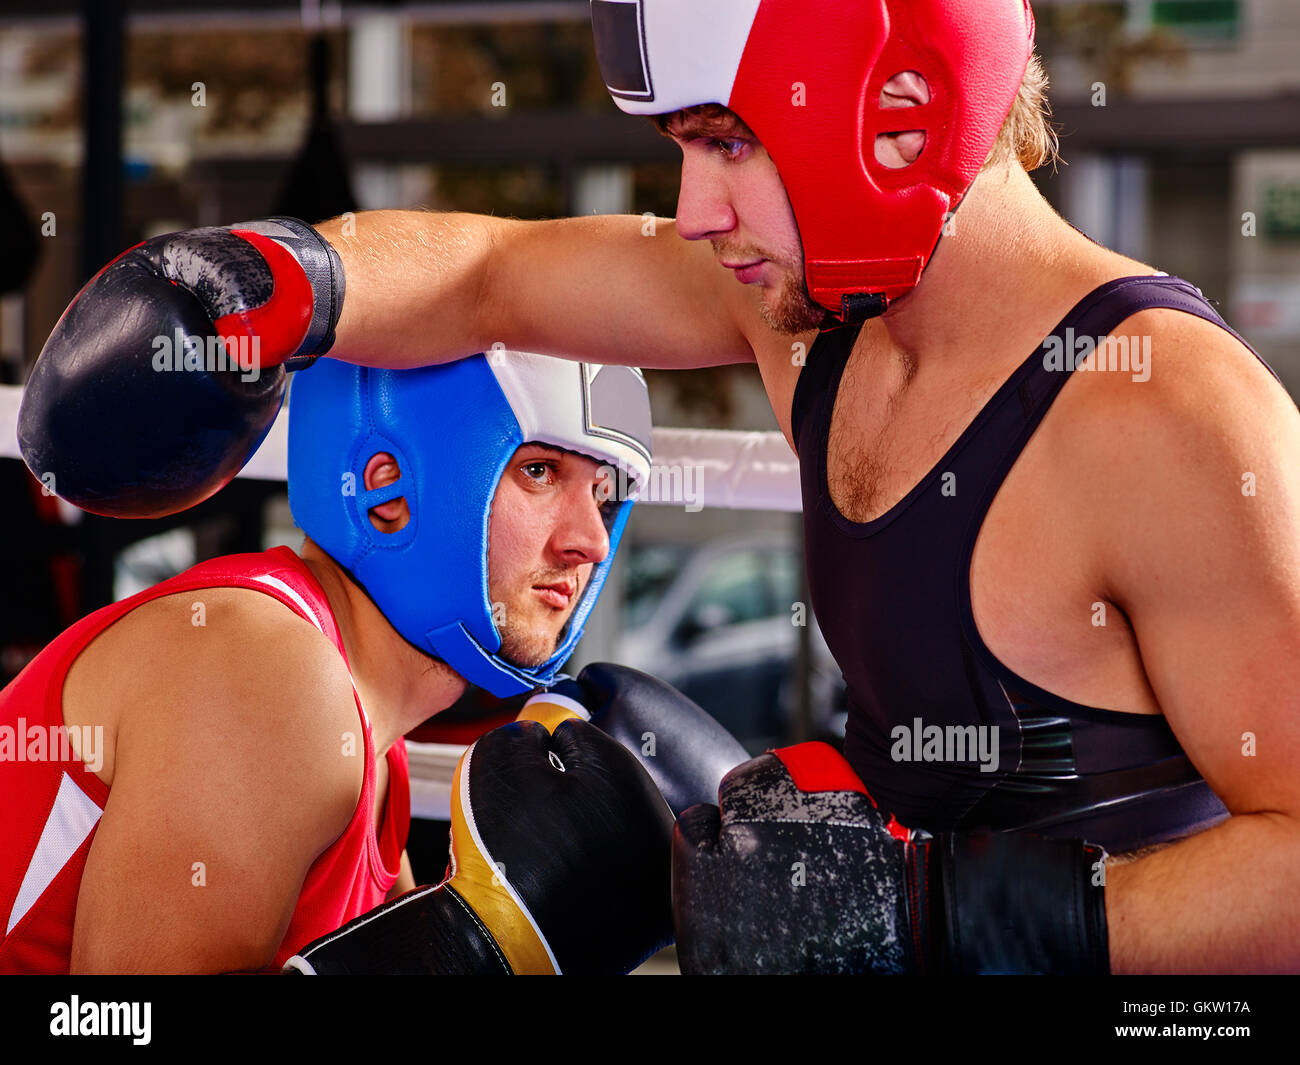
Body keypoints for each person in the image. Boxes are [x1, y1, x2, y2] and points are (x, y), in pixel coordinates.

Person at [19, 1, 1300, 974]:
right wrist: (276, 281)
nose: (693, 210)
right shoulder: (812, 322)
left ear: (894, 117)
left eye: (729, 143)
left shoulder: (1162, 408)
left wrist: (936, 915)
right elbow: (493, 278)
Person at [0, 349, 699, 974]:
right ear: (387, 491)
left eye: (603, 492)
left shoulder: (372, 747)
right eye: (540, 472)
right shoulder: (263, 666)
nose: (592, 542)